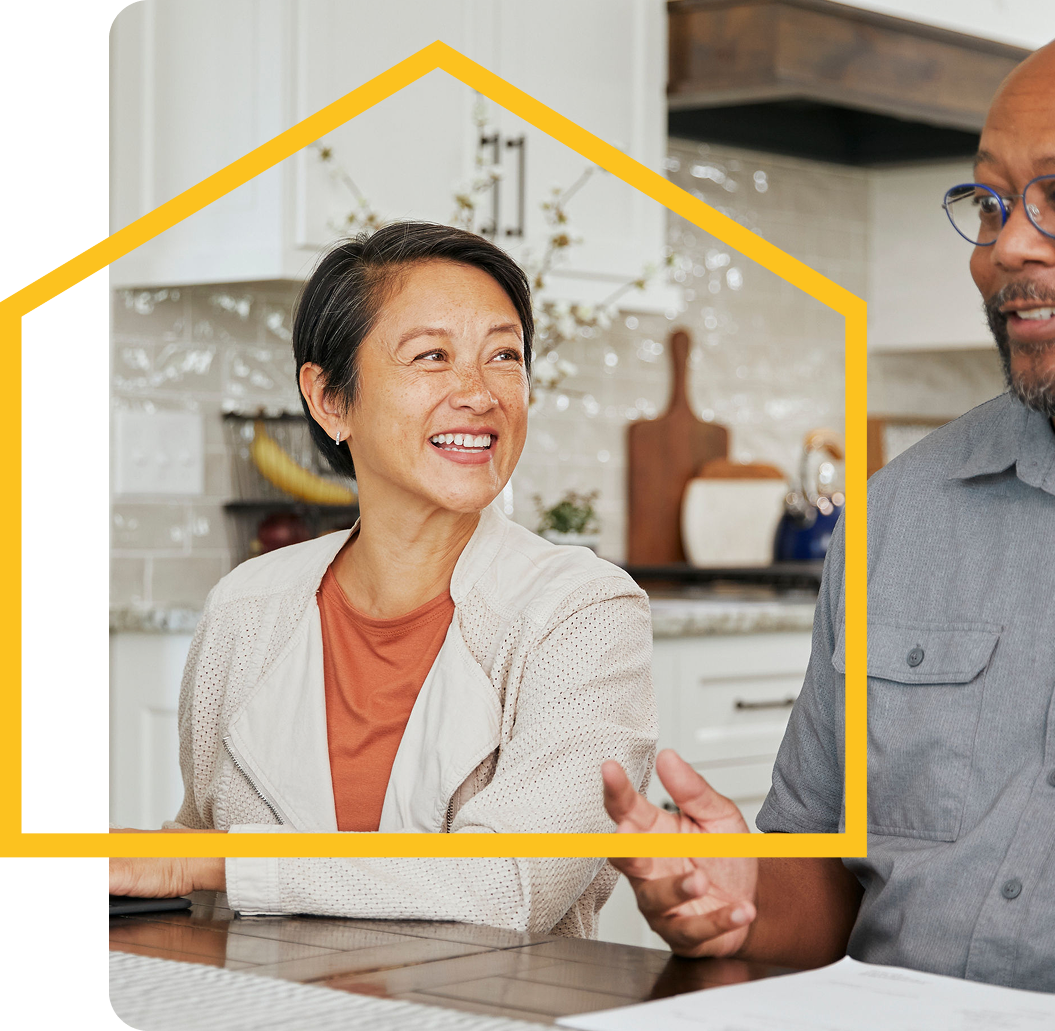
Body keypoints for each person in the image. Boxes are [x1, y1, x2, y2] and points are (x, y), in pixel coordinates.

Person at [603, 14, 1055, 1030]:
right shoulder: (900, 512)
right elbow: (830, 887)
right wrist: (735, 896)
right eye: (989, 201)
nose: (1007, 246)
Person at [110, 222, 658, 937]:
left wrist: (220, 861)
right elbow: (191, 867)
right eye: (432, 355)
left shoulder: (584, 612)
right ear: (330, 399)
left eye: (504, 356)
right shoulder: (246, 608)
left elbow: (515, 881)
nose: (479, 392)